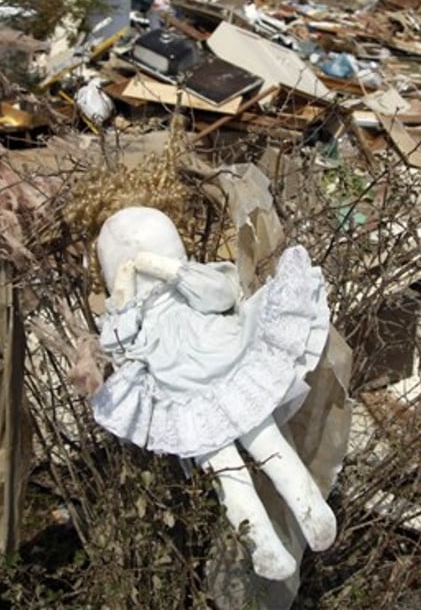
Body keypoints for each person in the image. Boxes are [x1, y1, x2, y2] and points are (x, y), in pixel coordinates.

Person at [89, 206, 336, 581]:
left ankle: (312, 512)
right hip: (183, 395)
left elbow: (220, 294)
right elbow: (117, 343)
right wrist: (123, 293)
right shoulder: (132, 317)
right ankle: (264, 547)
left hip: (227, 365)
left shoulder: (188, 284)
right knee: (226, 472)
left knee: (266, 440)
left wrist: (166, 268)